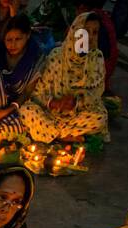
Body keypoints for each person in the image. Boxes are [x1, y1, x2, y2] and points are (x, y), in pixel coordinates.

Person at [15, 12, 108, 143]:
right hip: (50, 112)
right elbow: (38, 94)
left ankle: (53, 134)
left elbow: (96, 93)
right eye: (86, 32)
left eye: (95, 32)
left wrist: (76, 102)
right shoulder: (56, 56)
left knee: (100, 118)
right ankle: (64, 135)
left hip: (78, 114)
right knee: (27, 110)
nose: (90, 38)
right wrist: (54, 103)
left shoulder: (96, 58)